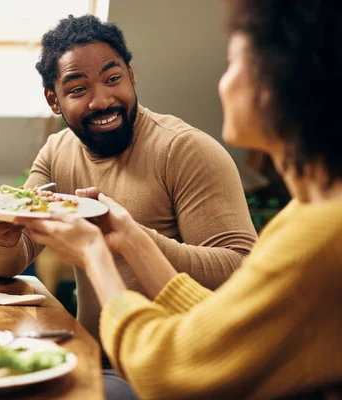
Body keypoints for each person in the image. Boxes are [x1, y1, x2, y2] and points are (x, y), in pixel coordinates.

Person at [18, 0, 342, 398]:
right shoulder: (306, 216)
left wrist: (95, 255)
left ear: (282, 82)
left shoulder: (322, 235)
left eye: (234, 63)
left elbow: (165, 369)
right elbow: (217, 324)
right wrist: (129, 238)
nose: (223, 82)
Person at [0, 15, 257, 343]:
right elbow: (9, 263)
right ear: (54, 100)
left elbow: (240, 268)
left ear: (131, 77)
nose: (102, 100)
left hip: (167, 359)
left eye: (113, 79)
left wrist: (128, 235)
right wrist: (2, 236)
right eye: (78, 89)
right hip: (95, 353)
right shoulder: (56, 152)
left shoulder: (186, 150)